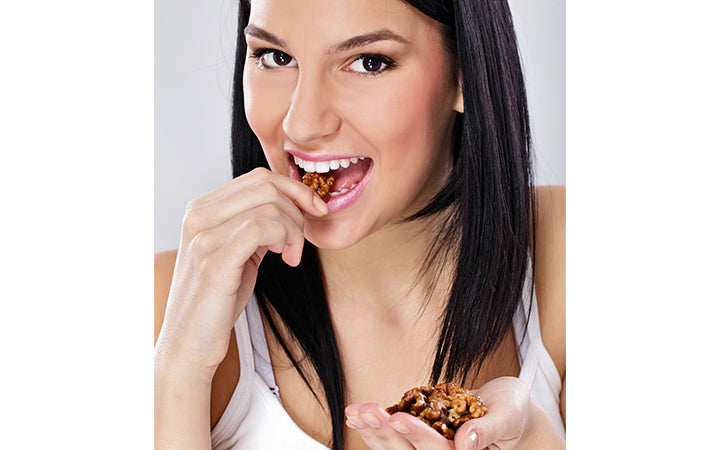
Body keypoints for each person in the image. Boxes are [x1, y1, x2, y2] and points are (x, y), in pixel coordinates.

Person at [154, 0, 566, 448]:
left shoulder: (569, 256)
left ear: (466, 69)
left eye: (369, 63)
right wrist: (180, 369)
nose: (302, 123)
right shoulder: (169, 307)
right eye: (275, 56)